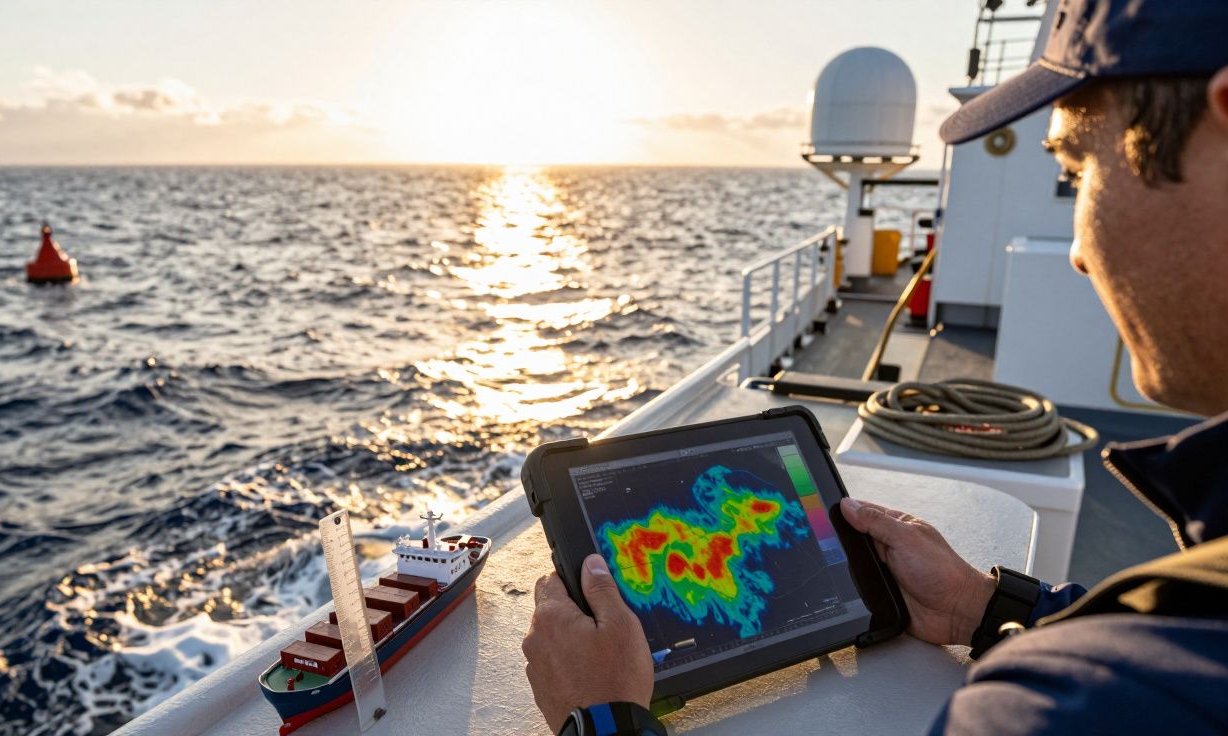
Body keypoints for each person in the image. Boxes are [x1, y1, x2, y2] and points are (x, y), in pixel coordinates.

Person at [522, 0, 1228, 733]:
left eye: (1076, 170)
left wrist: (602, 717)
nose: (1077, 252)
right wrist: (981, 608)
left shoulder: (1070, 705)